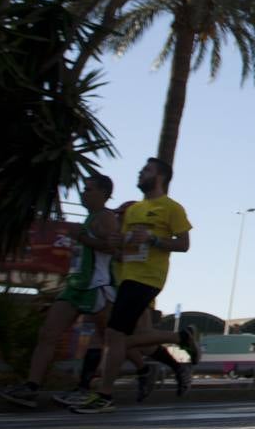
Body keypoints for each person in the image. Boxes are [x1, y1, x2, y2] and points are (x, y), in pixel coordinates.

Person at [74, 158, 199, 414]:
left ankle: (104, 394)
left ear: (161, 177)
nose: (141, 173)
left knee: (115, 334)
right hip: (126, 276)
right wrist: (118, 241)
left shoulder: (171, 208)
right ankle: (180, 338)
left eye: (147, 171)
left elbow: (184, 244)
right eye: (141, 170)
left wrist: (153, 238)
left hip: (148, 278)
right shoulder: (133, 210)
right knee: (122, 337)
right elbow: (124, 247)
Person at [0, 175, 120, 409]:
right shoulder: (90, 217)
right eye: (83, 189)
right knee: (48, 333)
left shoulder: (106, 218)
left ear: (103, 193)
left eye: (89, 189)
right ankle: (32, 386)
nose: (84, 193)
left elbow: (112, 248)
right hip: (75, 285)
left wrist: (81, 237)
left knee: (112, 339)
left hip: (97, 286)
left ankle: (102, 390)